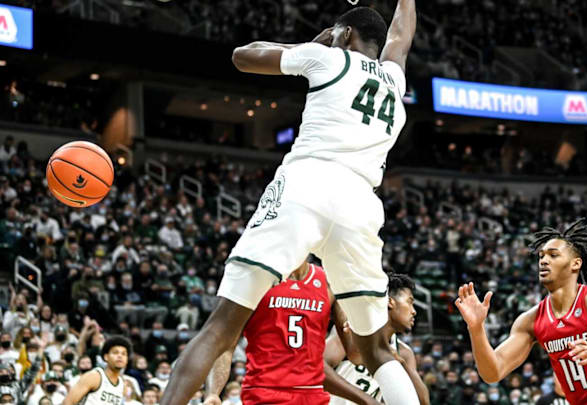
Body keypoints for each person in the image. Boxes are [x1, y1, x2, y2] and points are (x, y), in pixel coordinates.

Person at [160, 1, 417, 404]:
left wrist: (315, 43)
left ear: (345, 34)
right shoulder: (393, 79)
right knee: (378, 348)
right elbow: (400, 39)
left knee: (222, 325)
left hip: (308, 185)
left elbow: (242, 56)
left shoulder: (329, 58)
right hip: (361, 203)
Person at [455, 219, 587, 405]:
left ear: (576, 263)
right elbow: (493, 372)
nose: (543, 260)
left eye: (553, 255)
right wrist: (476, 328)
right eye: (541, 256)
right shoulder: (531, 320)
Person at [202, 261, 380, 405]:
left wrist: (359, 323)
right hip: (264, 392)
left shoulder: (329, 282)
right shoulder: (256, 278)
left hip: (313, 395)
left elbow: (355, 355)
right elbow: (225, 346)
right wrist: (213, 393)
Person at [325, 273, 429, 405]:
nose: (414, 311)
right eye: (409, 302)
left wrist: (401, 364)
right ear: (390, 302)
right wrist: (367, 401)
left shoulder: (404, 353)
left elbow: (423, 402)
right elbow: (318, 370)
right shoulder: (352, 332)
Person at [61, 336, 131, 405]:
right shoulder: (94, 377)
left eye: (124, 354)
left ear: (127, 360)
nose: (120, 356)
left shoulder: (123, 386)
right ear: (106, 357)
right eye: (115, 352)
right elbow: (68, 402)